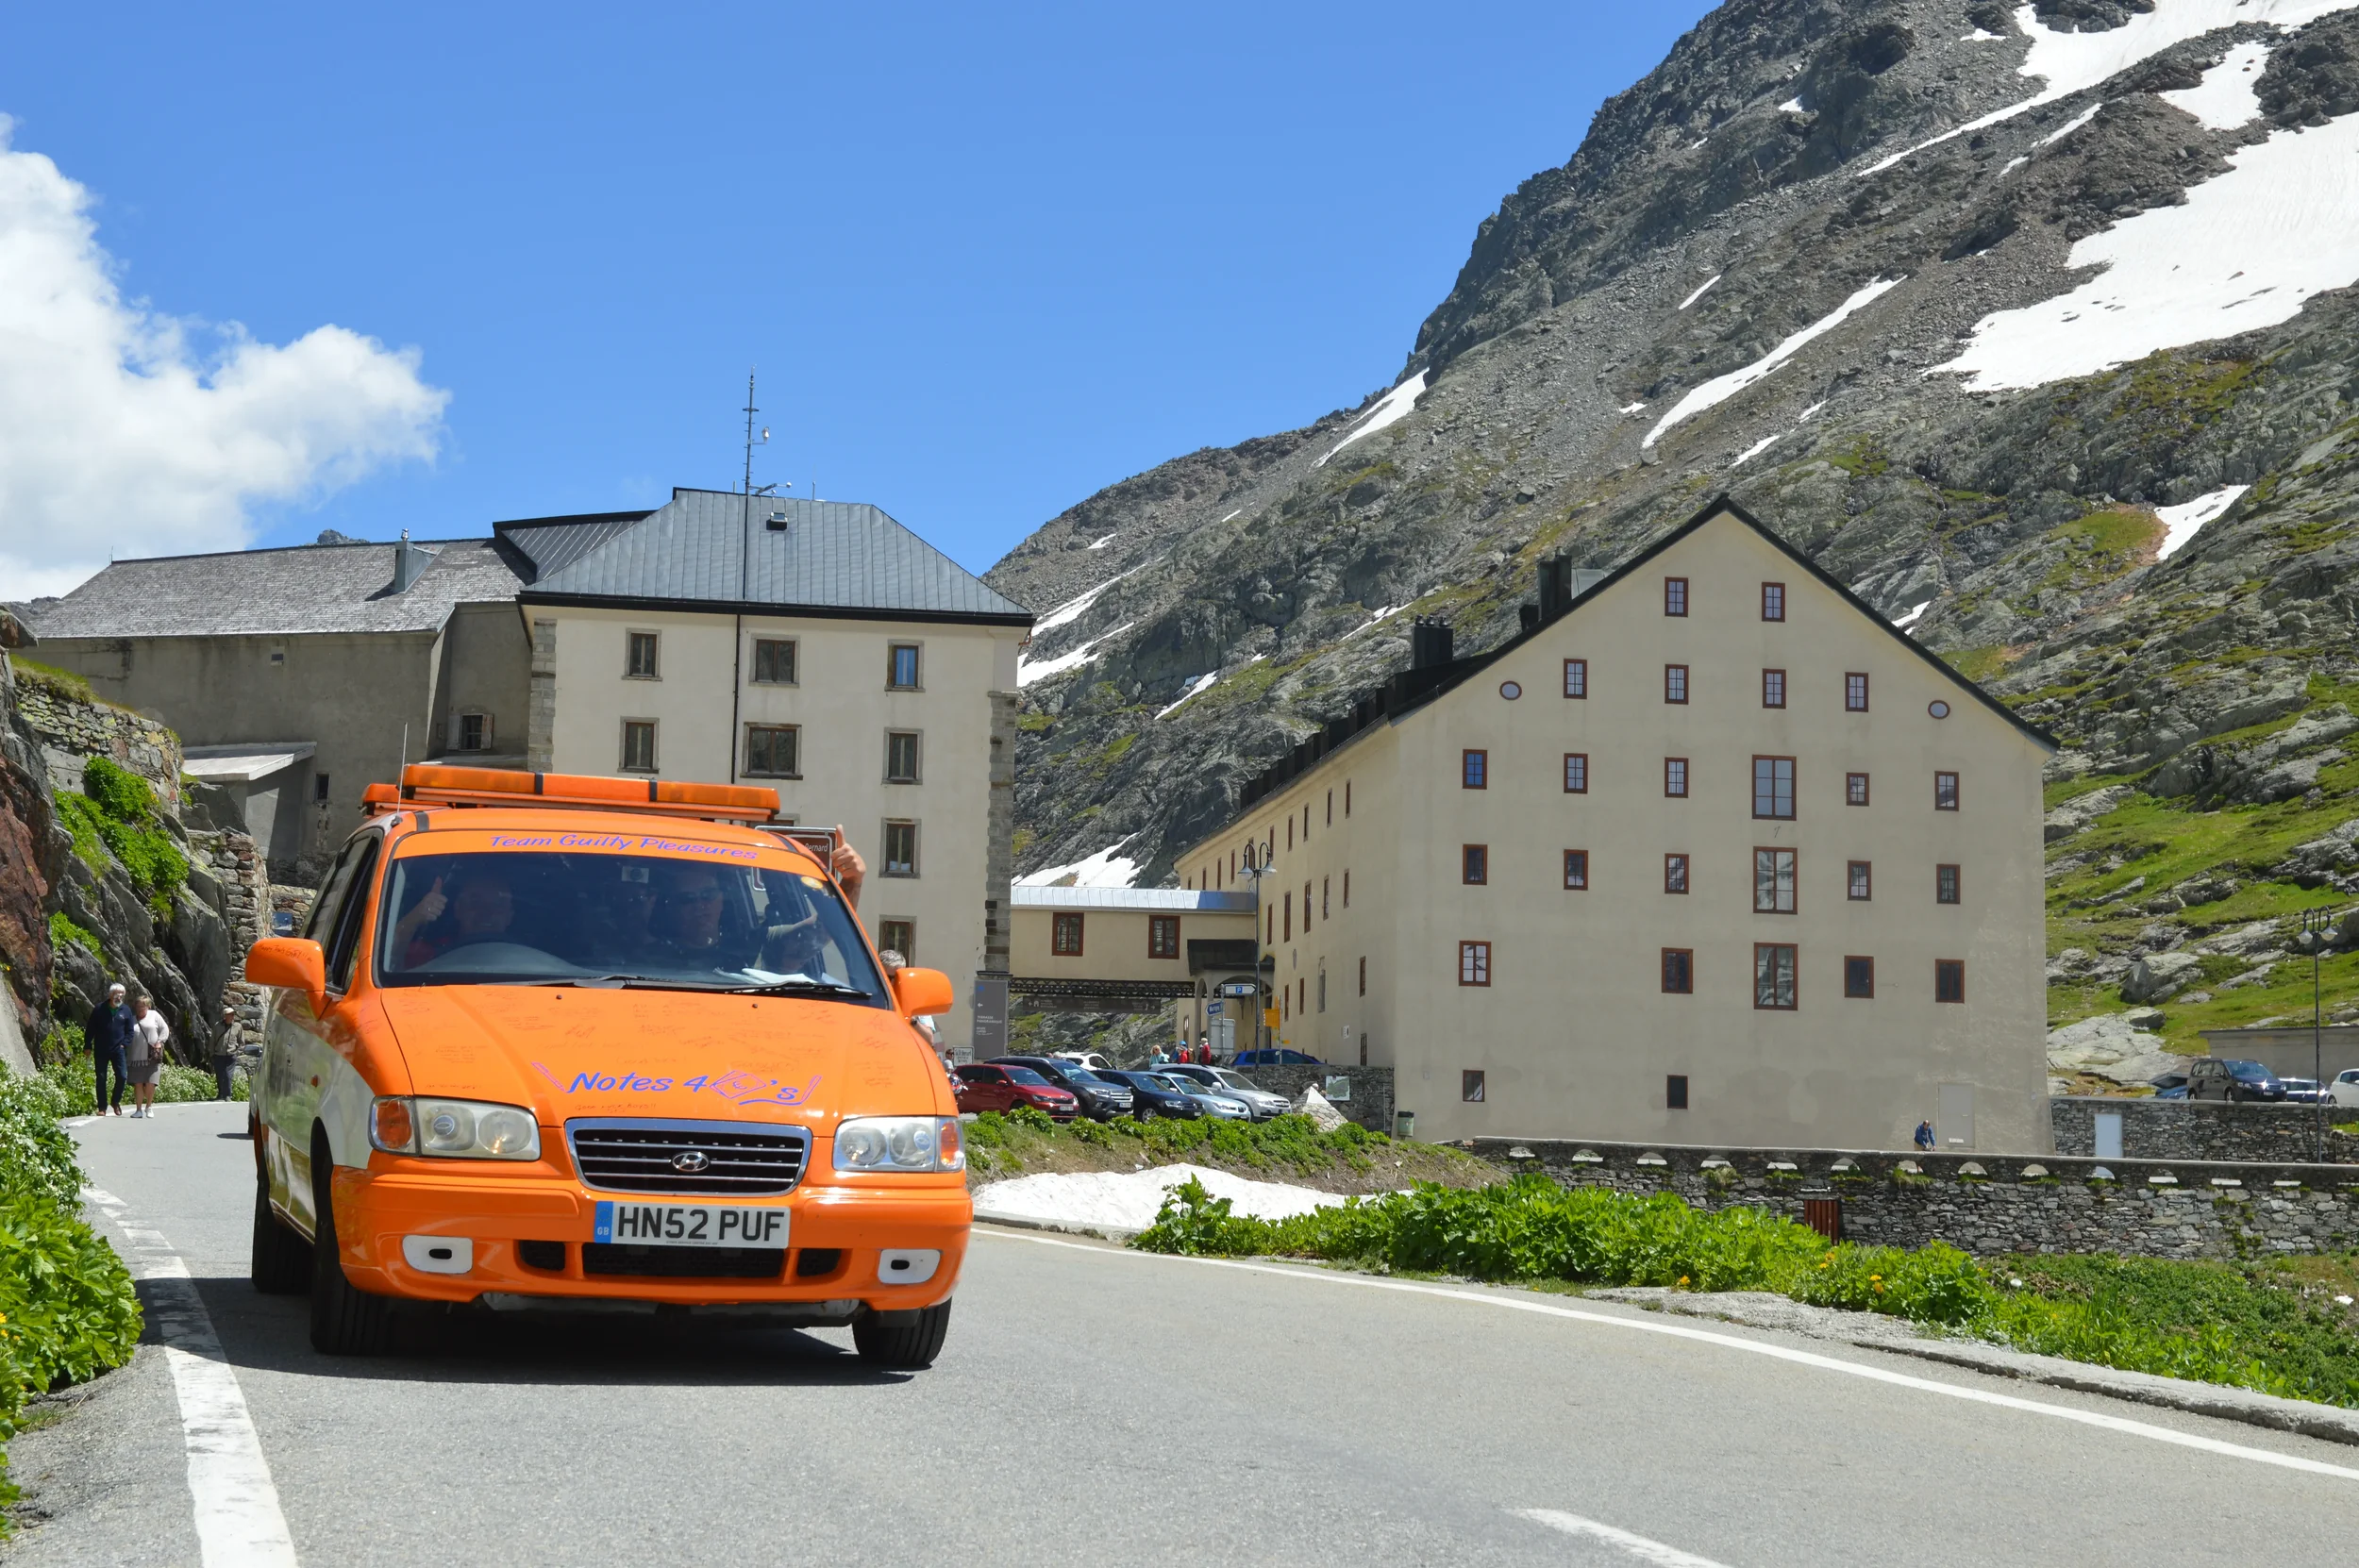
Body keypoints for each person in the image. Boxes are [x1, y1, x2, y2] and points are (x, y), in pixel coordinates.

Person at [392, 864, 516, 968]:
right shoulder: (430, 954)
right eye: (475, 902)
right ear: (458, 909)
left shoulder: (531, 961)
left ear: (510, 916)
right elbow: (390, 958)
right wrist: (415, 917)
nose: (487, 912)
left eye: (498, 904)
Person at [86, 983, 136, 1117]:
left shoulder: (126, 1010)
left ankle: (115, 1101)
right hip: (101, 1049)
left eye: (122, 995)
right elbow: (90, 1028)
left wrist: (124, 1045)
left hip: (118, 1050)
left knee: (122, 1076)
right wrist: (87, 1045)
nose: (119, 997)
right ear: (110, 995)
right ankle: (102, 1107)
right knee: (101, 1078)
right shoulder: (99, 1009)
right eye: (117, 994)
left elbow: (130, 1031)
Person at [127, 993, 170, 1118]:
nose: (140, 1009)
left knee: (151, 1082)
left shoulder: (154, 1015)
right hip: (136, 1057)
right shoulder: (132, 1019)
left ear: (148, 1007)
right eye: (138, 1006)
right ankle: (139, 1110)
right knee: (138, 1083)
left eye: (143, 1006)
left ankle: (149, 1107)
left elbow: (165, 1029)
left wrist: (160, 1042)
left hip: (152, 1056)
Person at [212, 1004, 240, 1101]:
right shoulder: (217, 1026)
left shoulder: (238, 1027)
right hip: (219, 1055)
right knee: (220, 1075)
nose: (232, 1016)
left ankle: (228, 1095)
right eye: (230, 1014)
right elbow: (213, 1040)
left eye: (233, 1014)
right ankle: (220, 1094)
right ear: (225, 1016)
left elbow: (241, 1041)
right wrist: (211, 1053)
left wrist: (236, 1048)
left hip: (231, 1055)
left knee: (228, 1075)